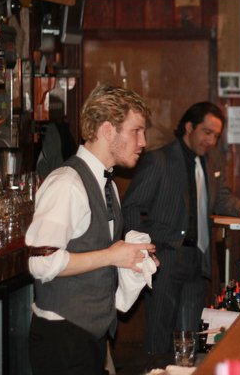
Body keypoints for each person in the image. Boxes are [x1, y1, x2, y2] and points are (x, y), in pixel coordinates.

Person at [26, 85, 157, 375]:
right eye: (136, 131)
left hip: (91, 334)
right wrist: (112, 256)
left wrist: (132, 259)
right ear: (108, 130)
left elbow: (95, 248)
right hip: (61, 337)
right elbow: (41, 262)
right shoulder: (66, 184)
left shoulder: (108, 184)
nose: (143, 141)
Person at [122, 101, 240, 356]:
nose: (211, 140)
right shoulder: (159, 160)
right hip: (165, 258)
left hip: (198, 260)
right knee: (159, 338)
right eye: (206, 132)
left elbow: (219, 197)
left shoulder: (209, 163)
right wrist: (142, 251)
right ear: (189, 127)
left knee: (191, 340)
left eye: (216, 136)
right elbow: (131, 206)